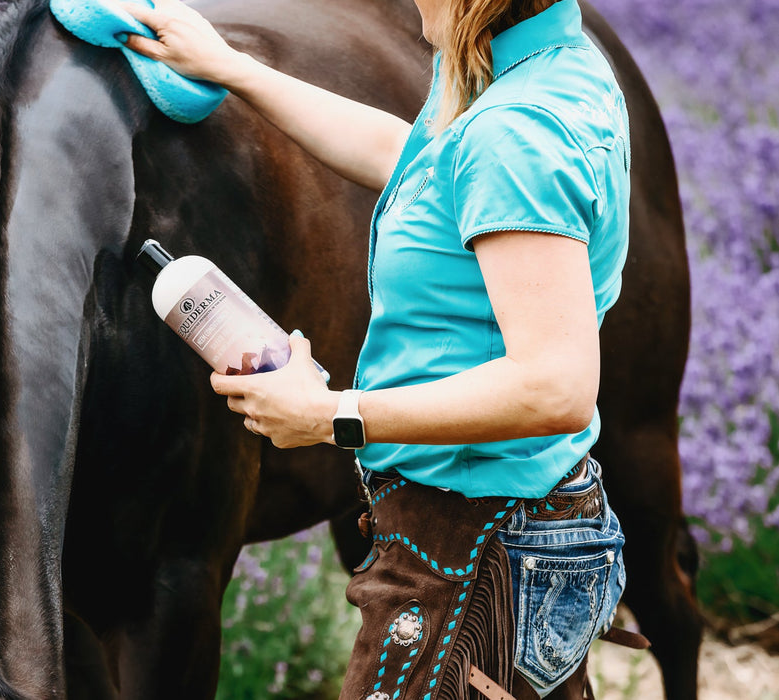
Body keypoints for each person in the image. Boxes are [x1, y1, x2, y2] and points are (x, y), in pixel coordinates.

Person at [123, 0, 630, 697]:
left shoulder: (514, 134)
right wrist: (233, 69)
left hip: (468, 546)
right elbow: (414, 158)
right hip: (526, 520)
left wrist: (330, 415)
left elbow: (554, 385)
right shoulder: (546, 66)